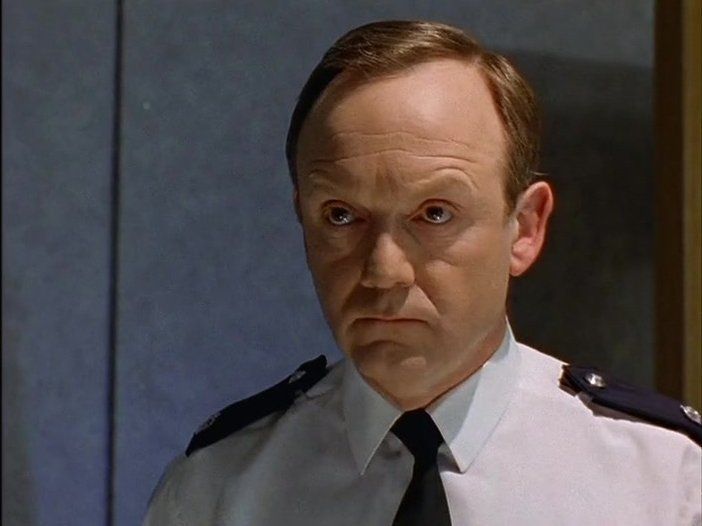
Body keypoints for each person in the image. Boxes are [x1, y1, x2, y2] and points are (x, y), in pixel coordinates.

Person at [144, 20, 701, 525]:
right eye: (341, 216)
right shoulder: (217, 492)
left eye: (435, 214)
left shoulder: (666, 486)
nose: (383, 271)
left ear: (525, 228)